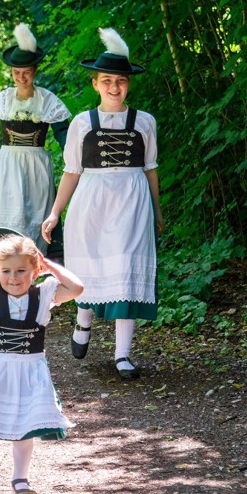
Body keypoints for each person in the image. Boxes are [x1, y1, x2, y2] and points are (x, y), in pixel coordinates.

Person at [41, 28, 163, 380]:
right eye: (107, 80)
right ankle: (83, 317)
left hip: (133, 202)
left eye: (120, 81)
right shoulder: (82, 123)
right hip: (91, 203)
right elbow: (71, 171)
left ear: (129, 84)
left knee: (126, 269)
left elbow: (151, 168)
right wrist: (54, 213)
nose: (114, 87)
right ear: (95, 84)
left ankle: (123, 355)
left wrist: (157, 210)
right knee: (89, 265)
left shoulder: (145, 122)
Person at [0, 229, 83, 494]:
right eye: (6, 271)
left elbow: (77, 288)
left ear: (35, 270)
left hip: (31, 372)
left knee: (25, 426)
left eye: (22, 271)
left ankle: (20, 479)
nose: (13, 278)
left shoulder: (45, 294)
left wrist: (50, 266)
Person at [0, 23, 71, 257]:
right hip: (8, 164)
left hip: (36, 164)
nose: (21, 77)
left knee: (35, 212)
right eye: (16, 72)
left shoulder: (48, 101)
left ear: (35, 71)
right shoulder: (4, 100)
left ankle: (37, 263)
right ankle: (3, 261)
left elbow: (65, 137)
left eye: (26, 72)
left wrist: (77, 160)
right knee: (8, 211)